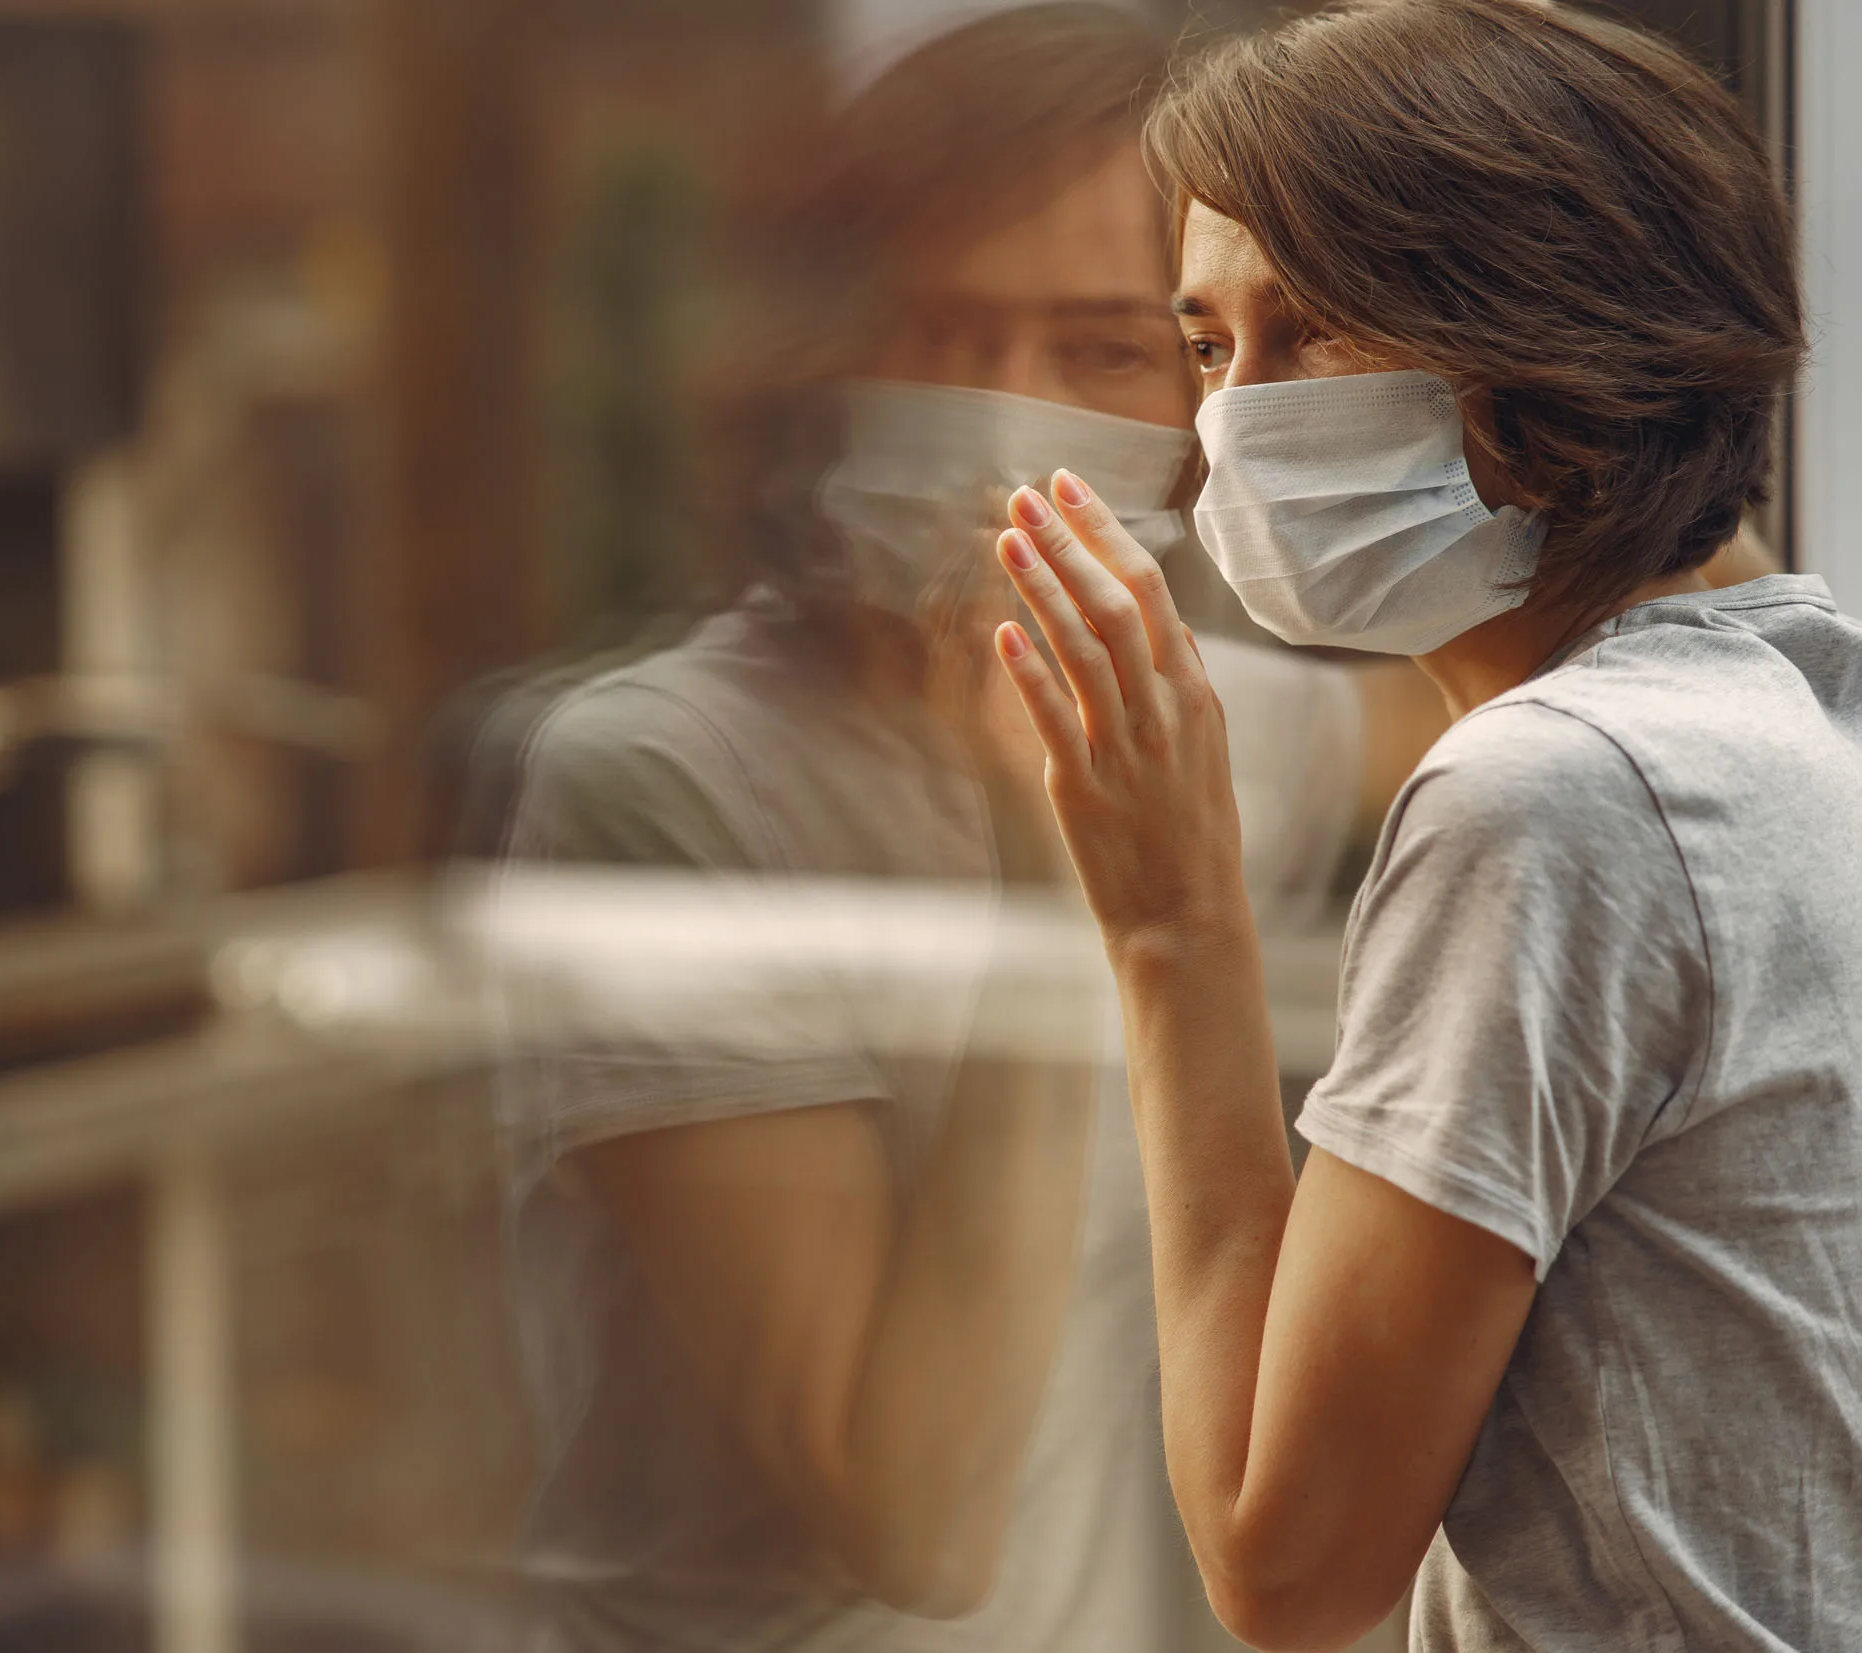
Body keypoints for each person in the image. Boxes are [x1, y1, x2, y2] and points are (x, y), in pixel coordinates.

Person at [490, 8, 1421, 1650]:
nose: (1005, 422)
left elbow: (1502, 691)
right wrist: (1048, 850)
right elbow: (914, 1519)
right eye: (940, 330)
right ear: (824, 354)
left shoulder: (1195, 719)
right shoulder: (658, 774)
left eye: (1102, 355)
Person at [982, 2, 1858, 1649]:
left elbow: (1289, 1569)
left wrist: (1175, 926)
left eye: (1312, 332)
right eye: (1205, 346)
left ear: (1556, 338)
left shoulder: (1556, 793)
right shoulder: (1799, 714)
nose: (1237, 418)